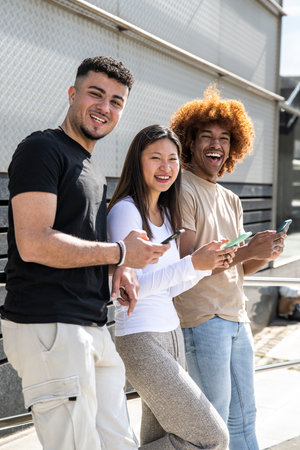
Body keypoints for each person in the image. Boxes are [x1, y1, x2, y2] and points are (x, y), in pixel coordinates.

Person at [0, 57, 169, 450]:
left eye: (116, 101)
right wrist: (121, 251)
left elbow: (88, 245)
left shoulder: (92, 168)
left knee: (118, 443)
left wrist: (119, 268)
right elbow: (34, 242)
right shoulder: (42, 149)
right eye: (96, 94)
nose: (105, 107)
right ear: (73, 94)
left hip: (93, 324)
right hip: (50, 325)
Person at [170, 85, 287, 450]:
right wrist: (249, 247)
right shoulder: (181, 188)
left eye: (224, 137)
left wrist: (259, 255)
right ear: (188, 142)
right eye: (206, 136)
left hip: (237, 317)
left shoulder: (230, 198)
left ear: (234, 146)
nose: (215, 145)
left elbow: (235, 269)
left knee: (245, 416)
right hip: (202, 319)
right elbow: (189, 264)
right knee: (214, 423)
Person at [107, 124, 236, 449]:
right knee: (213, 436)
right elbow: (131, 289)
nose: (166, 167)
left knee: (162, 438)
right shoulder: (126, 210)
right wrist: (193, 264)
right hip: (140, 338)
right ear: (138, 162)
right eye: (155, 158)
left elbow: (169, 288)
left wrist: (207, 264)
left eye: (173, 159)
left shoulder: (167, 213)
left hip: (172, 334)